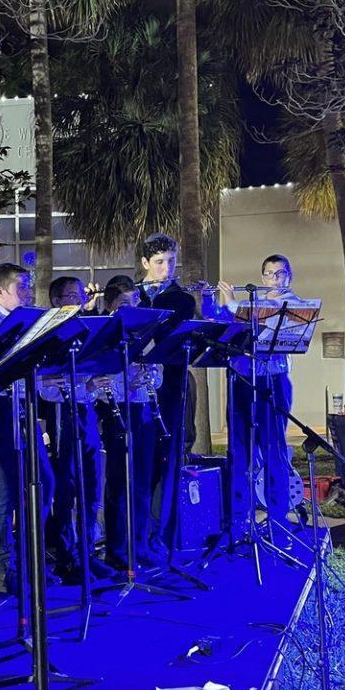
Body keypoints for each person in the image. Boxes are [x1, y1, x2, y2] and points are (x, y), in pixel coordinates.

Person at [202, 254, 303, 537]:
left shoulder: (292, 304)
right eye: (269, 274)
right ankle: (239, 520)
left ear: (289, 276)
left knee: (273, 450)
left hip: (272, 381)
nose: (274, 279)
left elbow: (263, 323)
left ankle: (278, 519)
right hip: (241, 380)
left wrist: (233, 302)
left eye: (280, 274)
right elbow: (217, 321)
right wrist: (208, 298)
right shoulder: (250, 302)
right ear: (262, 278)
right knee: (239, 451)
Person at [0, 263, 56, 593]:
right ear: (0, 291)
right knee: (9, 487)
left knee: (43, 482)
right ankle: (2, 566)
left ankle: (31, 560)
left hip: (23, 405)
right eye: (21, 287)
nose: (27, 294)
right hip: (1, 406)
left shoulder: (21, 320)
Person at [43, 276, 113, 582]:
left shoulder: (86, 328)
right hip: (63, 413)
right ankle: (66, 557)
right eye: (71, 296)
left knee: (91, 485)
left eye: (79, 296)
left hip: (86, 411)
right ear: (56, 301)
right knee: (67, 488)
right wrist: (86, 385)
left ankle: (87, 553)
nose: (78, 300)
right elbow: (48, 386)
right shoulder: (50, 332)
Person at [137, 233, 196, 551]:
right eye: (159, 262)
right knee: (140, 461)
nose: (166, 268)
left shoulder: (182, 300)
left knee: (170, 457)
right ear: (145, 263)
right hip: (135, 389)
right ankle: (138, 533)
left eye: (171, 261)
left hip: (171, 385)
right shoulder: (131, 296)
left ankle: (163, 532)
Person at [96, 276, 159, 568]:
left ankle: (140, 543)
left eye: (135, 301)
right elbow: (99, 378)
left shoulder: (145, 332)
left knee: (143, 480)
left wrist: (149, 378)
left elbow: (158, 371)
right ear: (110, 305)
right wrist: (128, 384)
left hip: (143, 408)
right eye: (124, 303)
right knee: (119, 482)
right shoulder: (104, 333)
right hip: (117, 410)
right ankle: (118, 549)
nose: (132, 307)